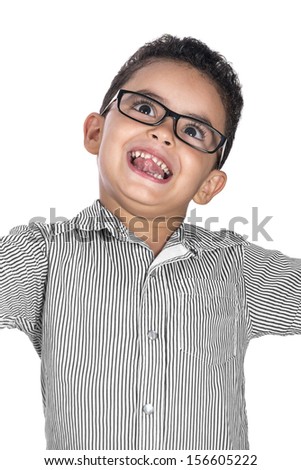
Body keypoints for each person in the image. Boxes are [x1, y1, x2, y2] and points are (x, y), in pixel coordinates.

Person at [0, 34, 300, 451]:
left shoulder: (237, 268)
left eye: (194, 130)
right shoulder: (43, 253)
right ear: (95, 132)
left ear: (209, 185)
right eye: (144, 108)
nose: (163, 133)